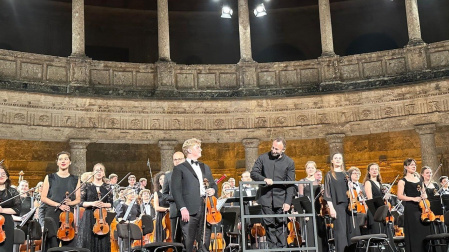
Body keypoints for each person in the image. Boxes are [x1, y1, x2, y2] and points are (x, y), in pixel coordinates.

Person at [171, 138, 217, 252]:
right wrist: (182, 208)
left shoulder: (205, 167)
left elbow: (213, 184)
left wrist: (213, 190)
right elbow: (176, 190)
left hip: (206, 208)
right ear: (189, 150)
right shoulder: (179, 168)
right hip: (189, 208)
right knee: (188, 241)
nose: (201, 149)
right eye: (198, 147)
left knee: (205, 239)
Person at [250, 137, 295, 249]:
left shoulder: (289, 162)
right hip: (266, 197)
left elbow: (290, 183)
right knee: (269, 226)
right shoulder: (263, 157)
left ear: (283, 150)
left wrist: (288, 202)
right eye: (272, 148)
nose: (273, 150)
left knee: (281, 226)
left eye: (277, 149)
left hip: (281, 198)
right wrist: (264, 179)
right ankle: (273, 250)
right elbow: (254, 173)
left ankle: (282, 249)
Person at [40, 151, 81, 250]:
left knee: (69, 244)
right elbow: (43, 198)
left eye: (66, 159)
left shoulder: (75, 179)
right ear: (57, 162)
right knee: (51, 244)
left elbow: (78, 199)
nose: (63, 161)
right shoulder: (50, 177)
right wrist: (59, 205)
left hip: (67, 215)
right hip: (52, 213)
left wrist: (70, 203)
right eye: (60, 159)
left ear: (70, 162)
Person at [75, 163, 113, 252]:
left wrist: (103, 204)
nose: (99, 172)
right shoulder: (86, 185)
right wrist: (93, 203)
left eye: (101, 170)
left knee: (102, 242)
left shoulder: (107, 187)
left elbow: (111, 204)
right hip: (89, 217)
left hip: (102, 218)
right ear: (93, 172)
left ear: (104, 173)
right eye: (97, 170)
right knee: (88, 240)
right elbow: (80, 202)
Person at [323, 153, 356, 252]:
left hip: (348, 206)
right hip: (337, 206)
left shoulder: (346, 174)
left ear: (342, 161)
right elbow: (327, 194)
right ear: (332, 161)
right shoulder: (329, 175)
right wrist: (331, 208)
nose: (338, 160)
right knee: (341, 233)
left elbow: (351, 193)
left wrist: (351, 187)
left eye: (340, 158)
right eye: (335, 158)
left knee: (350, 232)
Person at [397, 158, 431, 252]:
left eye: (414, 165)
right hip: (411, 209)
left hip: (422, 209)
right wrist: (413, 198)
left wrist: (424, 195)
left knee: (424, 231)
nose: (413, 166)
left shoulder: (419, 180)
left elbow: (425, 193)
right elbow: (399, 196)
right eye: (411, 165)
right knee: (414, 233)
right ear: (406, 167)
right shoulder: (402, 181)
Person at [161, 151, 185, 243]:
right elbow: (164, 195)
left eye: (180, 159)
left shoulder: (191, 174)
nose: (177, 161)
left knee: (190, 239)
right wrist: (177, 198)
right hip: (175, 211)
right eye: (175, 159)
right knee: (176, 239)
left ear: (184, 160)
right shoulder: (168, 175)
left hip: (190, 210)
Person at [297, 161, 320, 250]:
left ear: (315, 169)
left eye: (312, 168)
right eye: (308, 168)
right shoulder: (302, 181)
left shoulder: (318, 181)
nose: (310, 169)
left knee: (319, 233)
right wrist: (305, 213)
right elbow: (301, 197)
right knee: (310, 233)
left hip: (318, 209)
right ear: (306, 170)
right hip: (308, 210)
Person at [0, 164, 21, 252]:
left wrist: (2, 210)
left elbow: (18, 209)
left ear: (7, 176)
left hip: (6, 223)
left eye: (3, 174)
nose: (1, 176)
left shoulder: (13, 191)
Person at [153, 172, 169, 242]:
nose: (162, 180)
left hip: (171, 216)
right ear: (158, 182)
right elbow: (157, 208)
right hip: (161, 217)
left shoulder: (172, 192)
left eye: (164, 179)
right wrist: (168, 209)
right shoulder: (157, 193)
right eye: (160, 179)